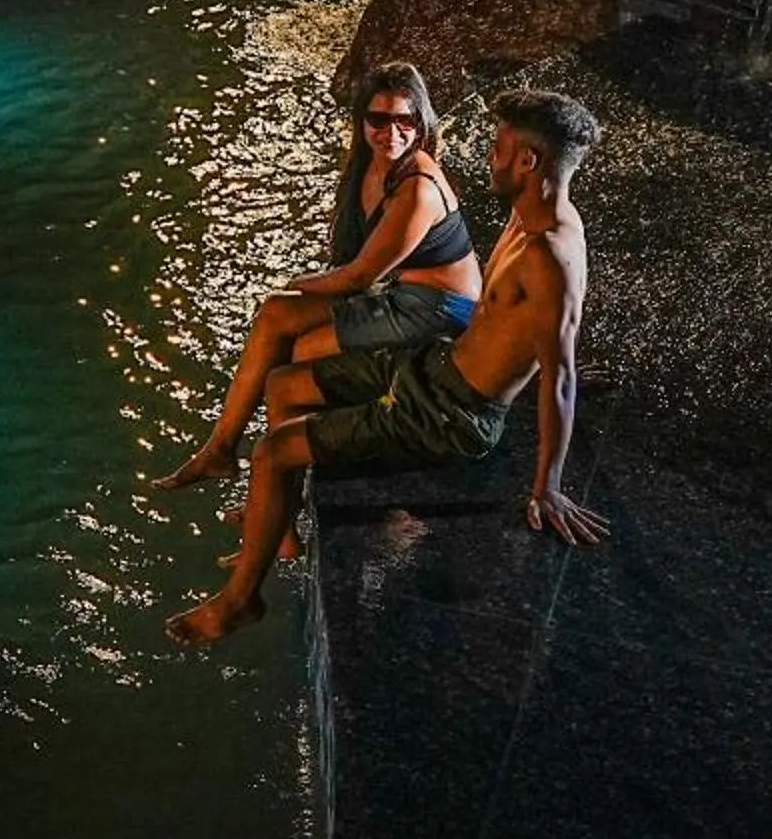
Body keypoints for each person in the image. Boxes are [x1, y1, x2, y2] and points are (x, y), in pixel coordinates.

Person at [167, 88, 609, 647]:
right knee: (284, 383)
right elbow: (527, 335)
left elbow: (561, 371)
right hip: (438, 367)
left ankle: (239, 600)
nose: (488, 158)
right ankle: (280, 530)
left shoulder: (550, 253)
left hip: (452, 413)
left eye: (500, 148)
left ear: (528, 161)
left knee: (273, 450)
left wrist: (547, 486)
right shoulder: (526, 218)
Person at [149, 61, 481, 494]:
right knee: (277, 318)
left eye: (405, 120)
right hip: (400, 295)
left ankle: (259, 479)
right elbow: (353, 263)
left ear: (421, 123)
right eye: (378, 119)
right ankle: (238, 464)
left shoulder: (417, 187)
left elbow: (358, 276)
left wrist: (293, 282)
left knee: (293, 342)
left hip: (436, 310)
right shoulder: (370, 167)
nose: (391, 132)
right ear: (361, 120)